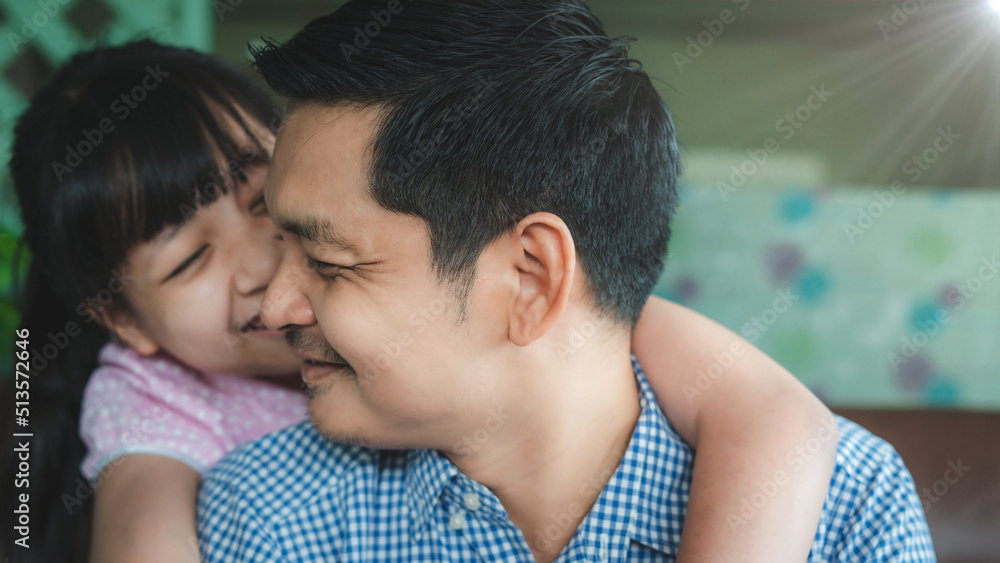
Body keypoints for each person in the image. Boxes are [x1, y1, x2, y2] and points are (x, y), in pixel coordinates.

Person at [0, 40, 837, 563]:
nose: (264, 269)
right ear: (124, 319)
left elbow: (777, 416)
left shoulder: (557, 301)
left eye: (265, 205)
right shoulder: (157, 404)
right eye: (190, 260)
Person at [197, 1, 935, 562]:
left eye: (329, 263)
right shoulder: (267, 517)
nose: (275, 304)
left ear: (531, 278)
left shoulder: (844, 510)